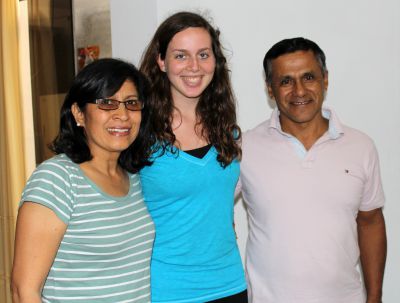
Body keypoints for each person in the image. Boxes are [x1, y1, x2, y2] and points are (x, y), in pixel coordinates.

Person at [238, 37, 387, 303]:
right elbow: (210, 209)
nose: (299, 91)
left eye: (308, 77)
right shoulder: (245, 148)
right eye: (285, 81)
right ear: (270, 90)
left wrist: (375, 296)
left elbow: (371, 222)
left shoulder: (360, 146)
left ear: (325, 79)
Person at [11, 58, 155, 303]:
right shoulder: (57, 179)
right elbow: (24, 291)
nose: (122, 115)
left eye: (131, 103)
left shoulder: (134, 178)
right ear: (79, 113)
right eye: (107, 103)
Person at [139, 11, 247, 303]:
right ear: (161, 61)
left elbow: (216, 209)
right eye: (181, 56)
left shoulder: (228, 132)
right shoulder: (138, 133)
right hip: (166, 291)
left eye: (203, 54)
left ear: (215, 61)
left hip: (230, 285)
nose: (194, 67)